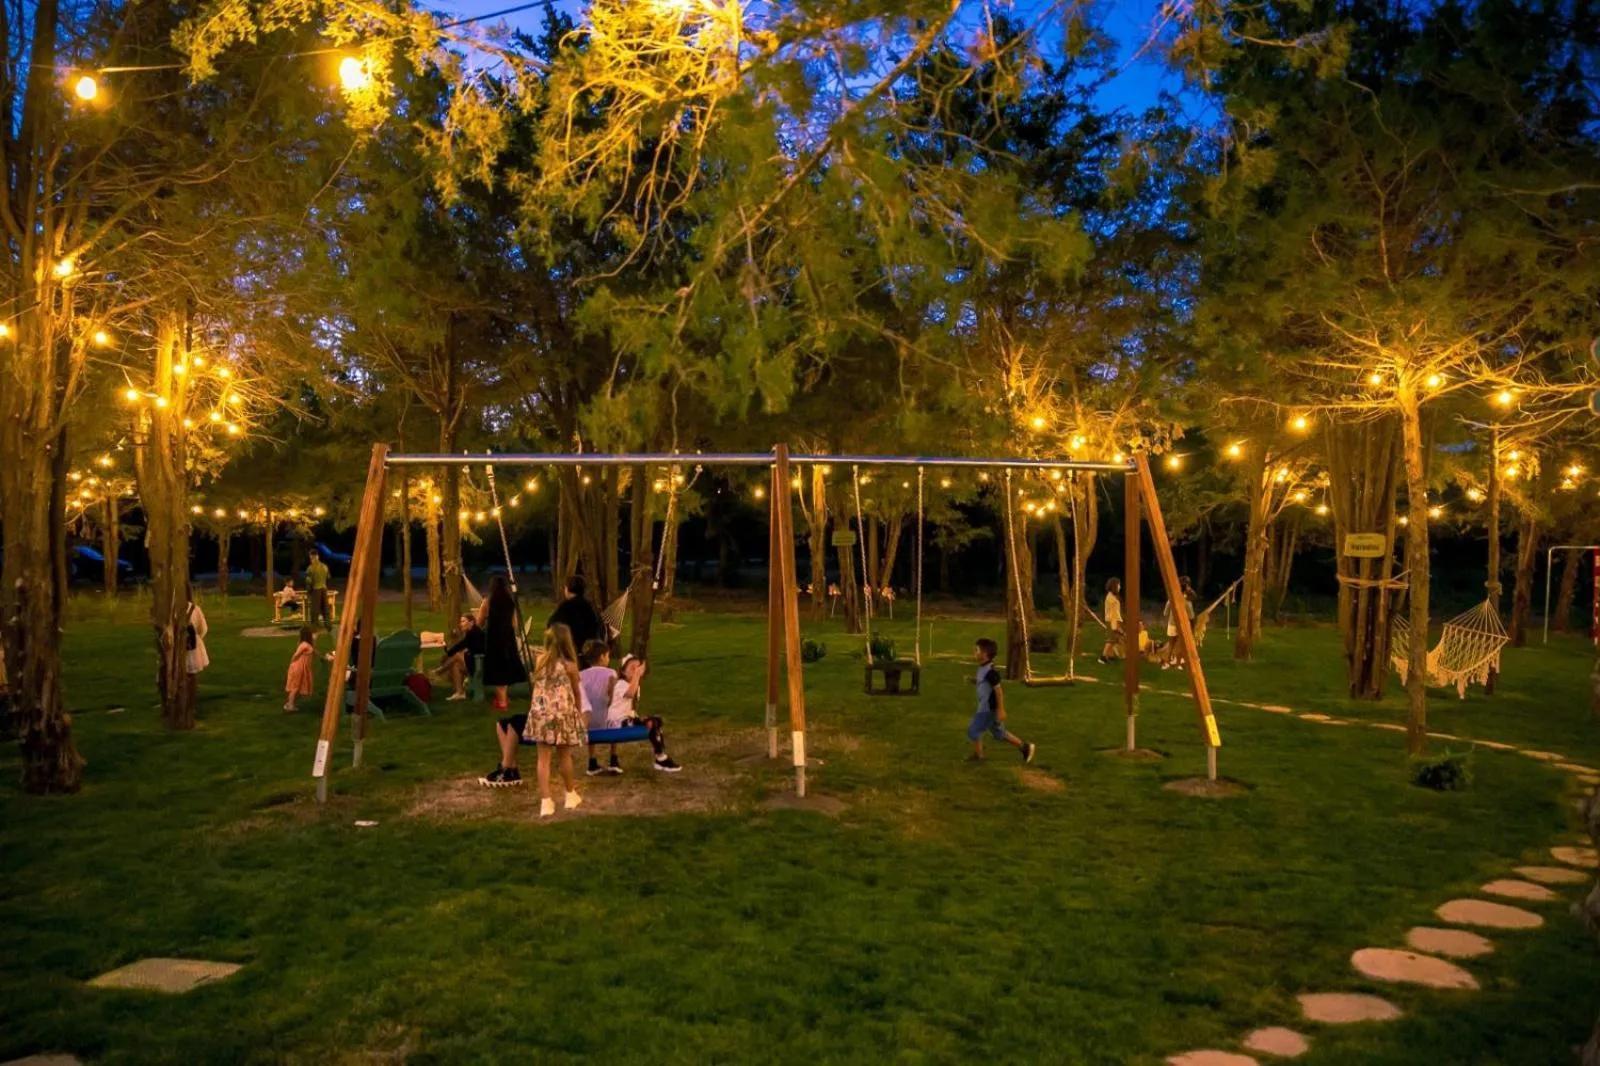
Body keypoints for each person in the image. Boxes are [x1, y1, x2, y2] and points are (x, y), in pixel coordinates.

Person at [481, 625, 587, 817]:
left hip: (540, 715)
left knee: (543, 759)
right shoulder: (570, 666)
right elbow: (576, 692)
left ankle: (546, 801)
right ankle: (570, 794)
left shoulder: (539, 662)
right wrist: (578, 713)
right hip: (562, 715)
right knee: (564, 756)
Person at [577, 640, 680, 775]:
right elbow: (620, 696)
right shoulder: (613, 676)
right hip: (611, 721)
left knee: (653, 721)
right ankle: (655, 757)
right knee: (644, 721)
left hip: (589, 720)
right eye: (608, 656)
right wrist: (636, 675)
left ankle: (593, 762)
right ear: (602, 657)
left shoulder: (581, 674)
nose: (636, 671)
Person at [967, 637, 1035, 763]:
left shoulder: (990, 672)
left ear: (985, 654)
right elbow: (983, 682)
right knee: (999, 733)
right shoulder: (983, 668)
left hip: (988, 709)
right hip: (987, 707)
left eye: (976, 650)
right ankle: (1025, 747)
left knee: (974, 730)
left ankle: (978, 756)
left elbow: (998, 690)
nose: (974, 653)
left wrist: (1001, 710)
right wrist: (973, 681)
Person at [477, 575, 528, 710]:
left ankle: (502, 701)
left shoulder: (488, 602)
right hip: (507, 638)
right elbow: (514, 623)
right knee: (505, 667)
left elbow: (479, 622)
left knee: (496, 669)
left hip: (493, 639)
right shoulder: (510, 602)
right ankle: (503, 697)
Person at [547, 575, 605, 659]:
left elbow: (552, 625)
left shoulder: (565, 606)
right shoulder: (588, 606)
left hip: (569, 648)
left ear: (567, 589)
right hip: (587, 649)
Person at [433, 613, 486, 702]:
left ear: (471, 622)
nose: (460, 624)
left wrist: (449, 652)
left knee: (457, 656)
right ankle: (460, 693)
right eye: (460, 621)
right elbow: (461, 646)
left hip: (480, 664)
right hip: (474, 662)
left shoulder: (476, 633)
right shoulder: (471, 633)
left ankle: (439, 671)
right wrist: (448, 650)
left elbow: (465, 646)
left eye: (463, 621)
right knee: (456, 666)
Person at [1163, 577, 1196, 671]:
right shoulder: (1187, 602)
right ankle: (1178, 663)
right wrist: (1192, 629)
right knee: (1181, 646)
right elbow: (1191, 617)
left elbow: (1165, 612)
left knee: (1171, 644)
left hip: (1171, 624)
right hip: (1182, 625)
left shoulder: (1171, 599)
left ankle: (1166, 663)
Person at [284, 626, 316, 711]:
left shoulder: (306, 644)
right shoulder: (304, 645)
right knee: (295, 686)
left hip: (302, 667)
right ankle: (290, 705)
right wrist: (292, 663)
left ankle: (289, 703)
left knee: (297, 686)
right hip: (299, 667)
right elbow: (295, 655)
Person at [185, 596, 210, 703]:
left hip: (188, 646)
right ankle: (191, 697)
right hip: (192, 646)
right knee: (191, 675)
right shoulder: (195, 609)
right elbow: (203, 629)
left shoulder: (171, 609)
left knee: (188, 673)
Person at [1098, 578, 1124, 664]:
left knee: (1114, 639)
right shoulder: (1111, 598)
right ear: (1114, 586)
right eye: (1118, 585)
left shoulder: (1111, 596)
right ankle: (1103, 657)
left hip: (1113, 620)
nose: (1120, 586)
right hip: (1112, 621)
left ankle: (1110, 656)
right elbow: (1113, 613)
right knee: (1111, 639)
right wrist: (1115, 625)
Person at [305, 552, 330, 627]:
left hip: (316, 589)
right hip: (324, 588)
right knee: (325, 607)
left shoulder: (310, 568)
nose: (311, 560)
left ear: (312, 557)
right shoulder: (325, 566)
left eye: (311, 558)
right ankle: (328, 624)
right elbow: (328, 577)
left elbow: (308, 581)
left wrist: (308, 591)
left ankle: (315, 624)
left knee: (315, 608)